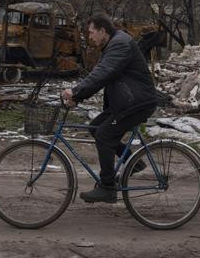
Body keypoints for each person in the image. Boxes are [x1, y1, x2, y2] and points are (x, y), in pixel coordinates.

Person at [62, 13, 158, 204]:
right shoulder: (113, 44)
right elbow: (100, 75)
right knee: (95, 128)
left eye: (91, 33)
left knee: (104, 135)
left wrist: (75, 92)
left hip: (137, 103)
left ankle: (107, 188)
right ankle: (133, 162)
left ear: (103, 31)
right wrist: (78, 96)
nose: (90, 37)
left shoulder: (119, 44)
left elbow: (104, 73)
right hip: (126, 102)